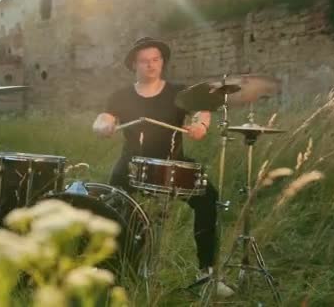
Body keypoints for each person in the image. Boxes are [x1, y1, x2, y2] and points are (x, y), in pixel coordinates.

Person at [92, 37, 233, 297]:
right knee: (112, 206)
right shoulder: (121, 95)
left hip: (173, 161)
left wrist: (201, 125)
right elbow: (104, 118)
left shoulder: (179, 93)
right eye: (144, 61)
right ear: (134, 64)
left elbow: (202, 109)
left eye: (156, 59)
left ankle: (208, 274)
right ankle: (113, 270)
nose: (151, 65)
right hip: (131, 164)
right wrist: (102, 125)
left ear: (162, 62)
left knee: (208, 199)